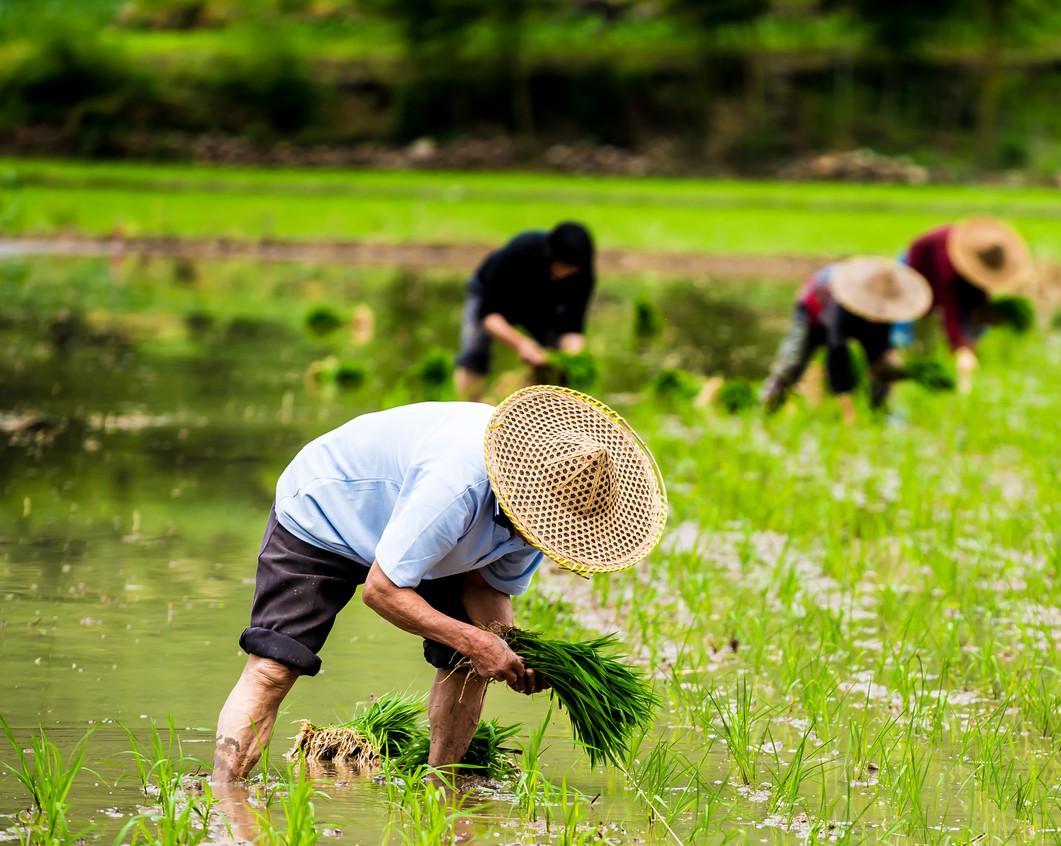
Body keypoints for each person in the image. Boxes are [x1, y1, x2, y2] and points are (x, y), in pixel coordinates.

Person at [210, 384, 668, 785]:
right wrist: (473, 640)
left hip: (429, 541)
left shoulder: (550, 515)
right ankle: (224, 800)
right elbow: (382, 590)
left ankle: (441, 788)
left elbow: (487, 589)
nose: (540, 536)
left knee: (469, 664)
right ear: (519, 489)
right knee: (274, 667)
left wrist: (507, 648)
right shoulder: (457, 482)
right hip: (328, 510)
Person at [761, 256, 932, 423]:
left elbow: (880, 349)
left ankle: (879, 412)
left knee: (882, 365)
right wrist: (848, 411)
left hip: (854, 317)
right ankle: (766, 411)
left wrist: (890, 367)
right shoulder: (842, 302)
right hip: (813, 311)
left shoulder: (886, 310)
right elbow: (836, 354)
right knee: (793, 363)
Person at [455, 222, 597, 402]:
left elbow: (572, 327)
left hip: (541, 303)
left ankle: (533, 414)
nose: (565, 275)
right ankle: (470, 409)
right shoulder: (520, 252)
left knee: (552, 361)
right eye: (562, 268)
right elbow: (490, 316)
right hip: (494, 295)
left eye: (572, 271)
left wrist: (569, 359)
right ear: (550, 256)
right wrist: (521, 344)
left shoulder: (583, 272)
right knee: (474, 352)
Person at [899, 217, 1032, 394]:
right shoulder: (947, 266)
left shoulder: (978, 265)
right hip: (914, 271)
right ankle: (914, 375)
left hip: (946, 280)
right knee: (915, 336)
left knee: (961, 331)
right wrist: (960, 347)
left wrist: (973, 338)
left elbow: (978, 299)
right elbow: (949, 309)